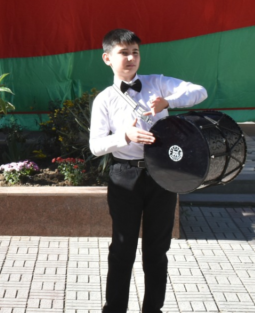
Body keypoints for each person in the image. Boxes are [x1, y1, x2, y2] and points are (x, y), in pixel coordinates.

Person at [89, 29, 207, 313]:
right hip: (124, 177)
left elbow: (200, 92)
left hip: (163, 175)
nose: (131, 58)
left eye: (135, 52)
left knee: (157, 251)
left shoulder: (158, 83)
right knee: (122, 250)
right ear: (107, 58)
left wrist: (170, 102)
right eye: (123, 53)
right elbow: (95, 146)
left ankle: (153, 309)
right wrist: (125, 137)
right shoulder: (104, 99)